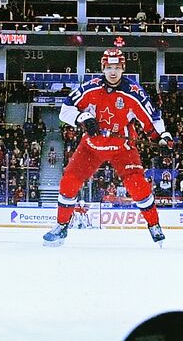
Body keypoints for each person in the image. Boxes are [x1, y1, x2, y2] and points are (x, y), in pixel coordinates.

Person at [43, 49, 174, 247]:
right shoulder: (90, 88)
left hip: (122, 147)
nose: (113, 72)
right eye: (109, 67)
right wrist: (82, 118)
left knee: (138, 186)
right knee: (69, 182)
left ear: (123, 68)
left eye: (117, 68)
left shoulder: (134, 92)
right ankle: (61, 226)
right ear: (103, 68)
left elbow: (151, 119)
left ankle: (154, 226)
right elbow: (64, 110)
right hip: (92, 146)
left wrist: (162, 137)